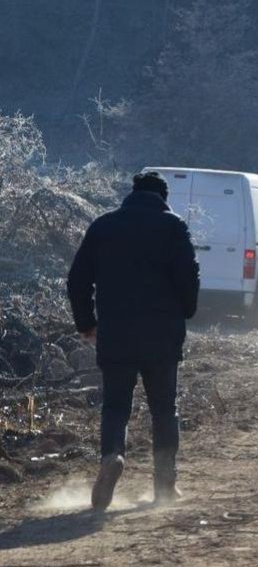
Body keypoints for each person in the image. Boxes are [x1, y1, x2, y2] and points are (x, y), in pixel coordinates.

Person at [67, 172, 200, 511]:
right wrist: (186, 310)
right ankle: (165, 486)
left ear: (132, 193)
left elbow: (77, 278)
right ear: (163, 196)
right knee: (163, 409)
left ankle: (112, 455)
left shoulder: (103, 226)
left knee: (115, 406)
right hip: (162, 335)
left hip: (116, 334)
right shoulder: (173, 227)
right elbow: (189, 276)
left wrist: (86, 323)